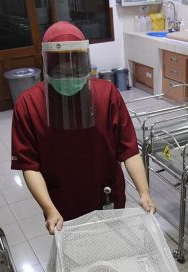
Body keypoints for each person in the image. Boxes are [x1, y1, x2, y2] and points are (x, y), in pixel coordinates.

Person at [11, 21, 155, 234]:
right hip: (62, 202)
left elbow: (129, 150)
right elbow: (29, 165)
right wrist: (49, 209)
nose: (69, 76)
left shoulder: (107, 95)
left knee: (112, 245)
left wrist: (144, 192)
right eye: (61, 70)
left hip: (106, 193)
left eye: (76, 69)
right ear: (47, 66)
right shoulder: (28, 104)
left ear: (86, 63)